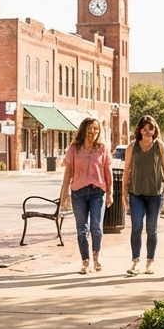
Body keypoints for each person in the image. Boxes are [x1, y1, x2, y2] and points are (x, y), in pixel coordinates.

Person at [59, 118, 113, 275]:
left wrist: (110, 193)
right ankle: (85, 261)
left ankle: (97, 254)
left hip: (98, 192)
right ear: (84, 129)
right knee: (82, 229)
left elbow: (107, 172)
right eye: (90, 128)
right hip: (78, 192)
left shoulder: (102, 148)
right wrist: (64, 192)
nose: (93, 131)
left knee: (96, 227)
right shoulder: (74, 149)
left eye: (96, 128)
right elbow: (68, 171)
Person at [123, 116, 164, 276]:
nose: (147, 131)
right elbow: (127, 169)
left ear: (154, 130)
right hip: (136, 193)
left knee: (152, 229)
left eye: (150, 128)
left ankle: (150, 262)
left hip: (156, 194)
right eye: (144, 128)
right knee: (136, 228)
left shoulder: (159, 146)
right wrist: (124, 191)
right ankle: (135, 262)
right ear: (139, 130)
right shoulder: (132, 146)